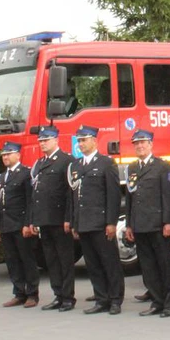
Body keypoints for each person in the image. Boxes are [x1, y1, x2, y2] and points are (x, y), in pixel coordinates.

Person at [67, 125, 123, 315]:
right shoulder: (76, 166)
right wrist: (75, 222)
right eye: (79, 141)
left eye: (84, 140)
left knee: (109, 262)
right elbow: (75, 197)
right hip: (84, 223)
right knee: (92, 264)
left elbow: (113, 196)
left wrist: (111, 223)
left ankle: (115, 299)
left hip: (100, 223)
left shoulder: (106, 163)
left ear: (94, 141)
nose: (81, 144)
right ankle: (101, 299)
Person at [125, 129, 170, 317]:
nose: (139, 146)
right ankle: (156, 301)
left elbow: (168, 197)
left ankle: (169, 304)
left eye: (143, 143)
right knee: (147, 267)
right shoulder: (132, 168)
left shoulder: (162, 166)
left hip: (157, 224)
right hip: (139, 225)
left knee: (164, 266)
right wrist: (129, 224)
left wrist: (168, 222)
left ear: (151, 144)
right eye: (136, 144)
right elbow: (130, 197)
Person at [29, 126, 76, 312]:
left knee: (65, 260)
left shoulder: (66, 161)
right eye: (40, 141)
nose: (42, 143)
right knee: (52, 260)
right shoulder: (40, 163)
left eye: (46, 140)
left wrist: (68, 218)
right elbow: (36, 194)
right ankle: (58, 295)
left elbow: (69, 193)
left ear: (56, 140)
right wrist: (34, 219)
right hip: (44, 219)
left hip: (59, 219)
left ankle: (67, 297)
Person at [0, 141, 39, 308]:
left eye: (8, 154)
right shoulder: (2, 176)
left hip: (20, 224)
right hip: (6, 225)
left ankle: (32, 293)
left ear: (18, 155)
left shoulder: (25, 174)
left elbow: (30, 201)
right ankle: (19, 292)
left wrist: (28, 223)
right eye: (3, 155)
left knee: (27, 259)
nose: (5, 157)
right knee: (12, 261)